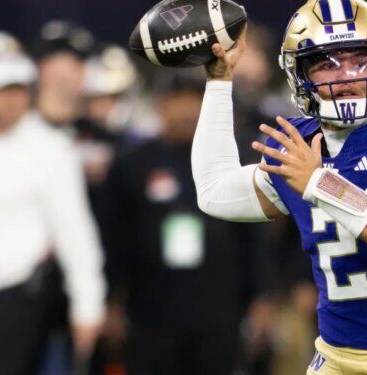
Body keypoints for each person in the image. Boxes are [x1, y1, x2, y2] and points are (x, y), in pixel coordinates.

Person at [191, 0, 367, 373]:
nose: (347, 76)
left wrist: (321, 183)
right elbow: (214, 192)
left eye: (360, 59)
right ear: (298, 74)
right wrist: (218, 80)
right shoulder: (296, 145)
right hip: (334, 359)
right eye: (326, 64)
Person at [98, 71, 267, 375]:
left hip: (219, 305)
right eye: (179, 99)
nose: (188, 109)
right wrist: (110, 300)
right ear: (160, 105)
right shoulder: (131, 165)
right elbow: (114, 238)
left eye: (197, 99)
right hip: (151, 308)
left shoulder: (234, 159)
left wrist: (262, 298)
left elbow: (254, 235)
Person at [0, 53, 105, 375]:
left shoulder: (50, 147)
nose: (10, 100)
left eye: (19, 90)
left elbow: (75, 232)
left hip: (14, 297)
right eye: (1, 90)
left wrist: (87, 304)